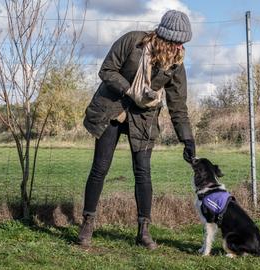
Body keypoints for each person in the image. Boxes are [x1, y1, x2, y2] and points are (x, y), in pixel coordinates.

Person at [78, 10, 196, 250]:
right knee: (100, 168)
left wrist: (187, 139)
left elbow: (178, 104)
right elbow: (107, 70)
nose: (180, 47)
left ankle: (143, 231)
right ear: (164, 37)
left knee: (143, 172)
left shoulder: (175, 64)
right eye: (176, 42)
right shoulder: (132, 42)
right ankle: (87, 224)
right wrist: (132, 90)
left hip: (144, 119)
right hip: (112, 109)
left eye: (183, 43)